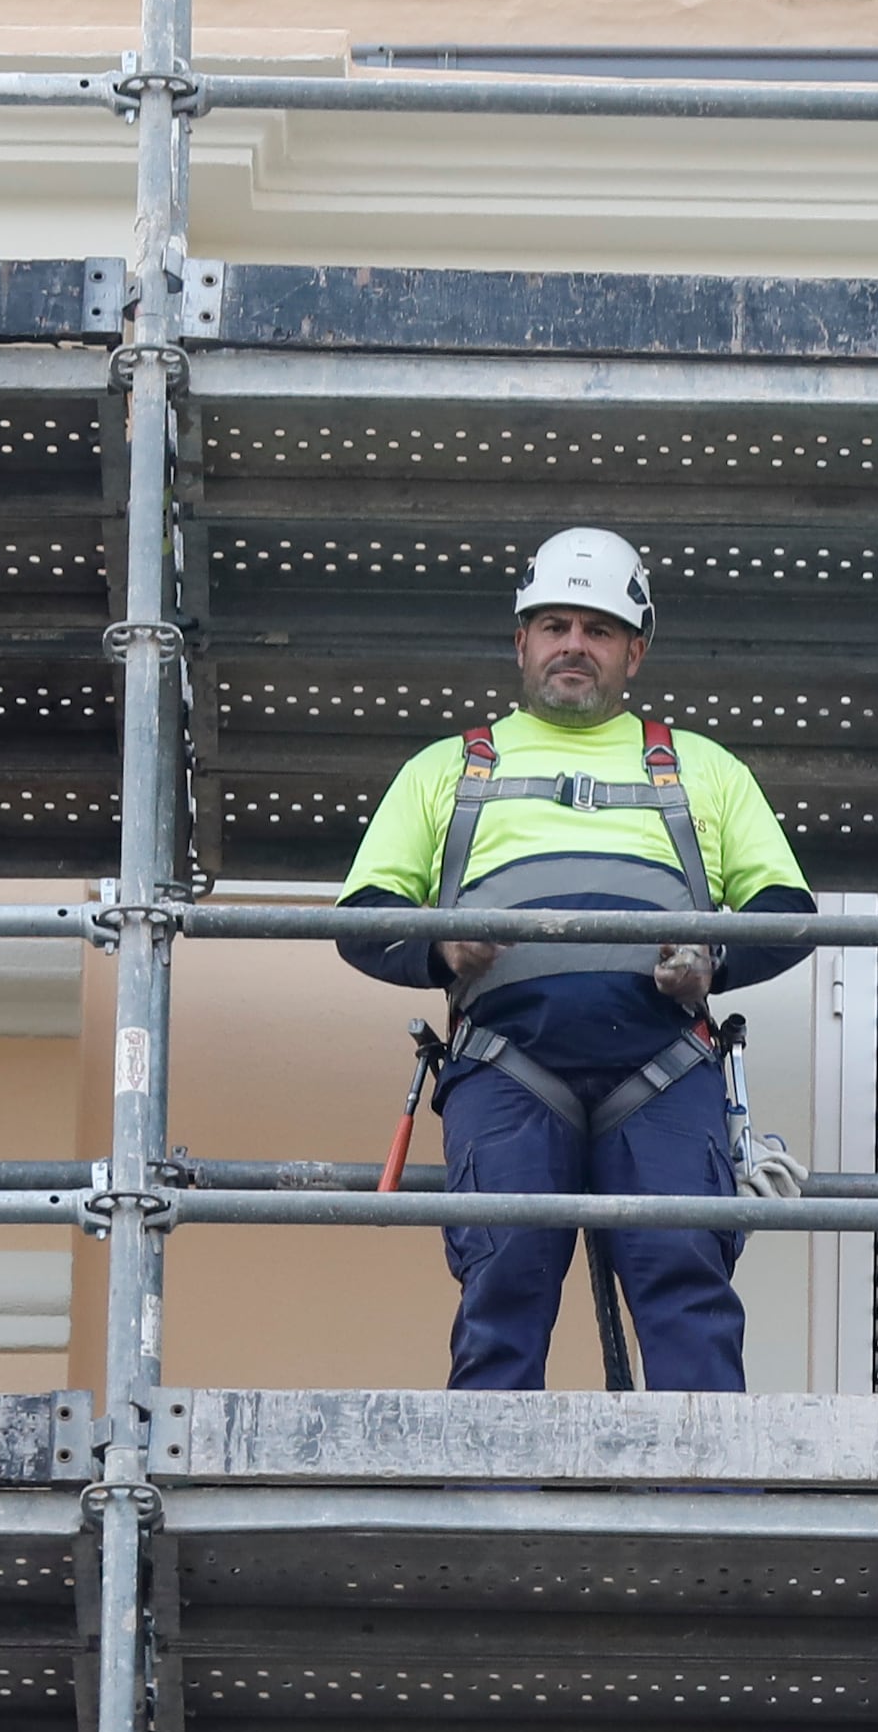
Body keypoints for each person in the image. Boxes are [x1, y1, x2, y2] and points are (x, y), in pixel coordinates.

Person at [338, 527, 815, 1391]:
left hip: (665, 1067)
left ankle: (706, 1518)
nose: (572, 645)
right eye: (553, 625)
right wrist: (441, 947)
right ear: (520, 641)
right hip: (506, 1068)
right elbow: (363, 918)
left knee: (687, 1295)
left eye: (595, 630)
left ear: (634, 651)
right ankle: (490, 1518)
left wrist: (713, 962)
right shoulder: (448, 769)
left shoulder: (702, 767)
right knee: (503, 1288)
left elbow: (786, 914)